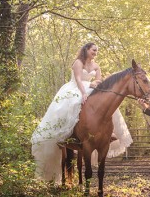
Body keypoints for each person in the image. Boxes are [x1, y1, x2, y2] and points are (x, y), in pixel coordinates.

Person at [31, 42, 133, 183]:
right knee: (73, 102)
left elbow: (98, 81)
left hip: (91, 88)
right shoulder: (78, 62)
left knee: (105, 103)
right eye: (93, 50)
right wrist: (84, 92)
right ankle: (65, 131)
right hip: (75, 88)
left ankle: (110, 133)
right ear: (86, 50)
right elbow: (78, 79)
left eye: (96, 51)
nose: (95, 53)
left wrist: (95, 84)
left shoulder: (96, 66)